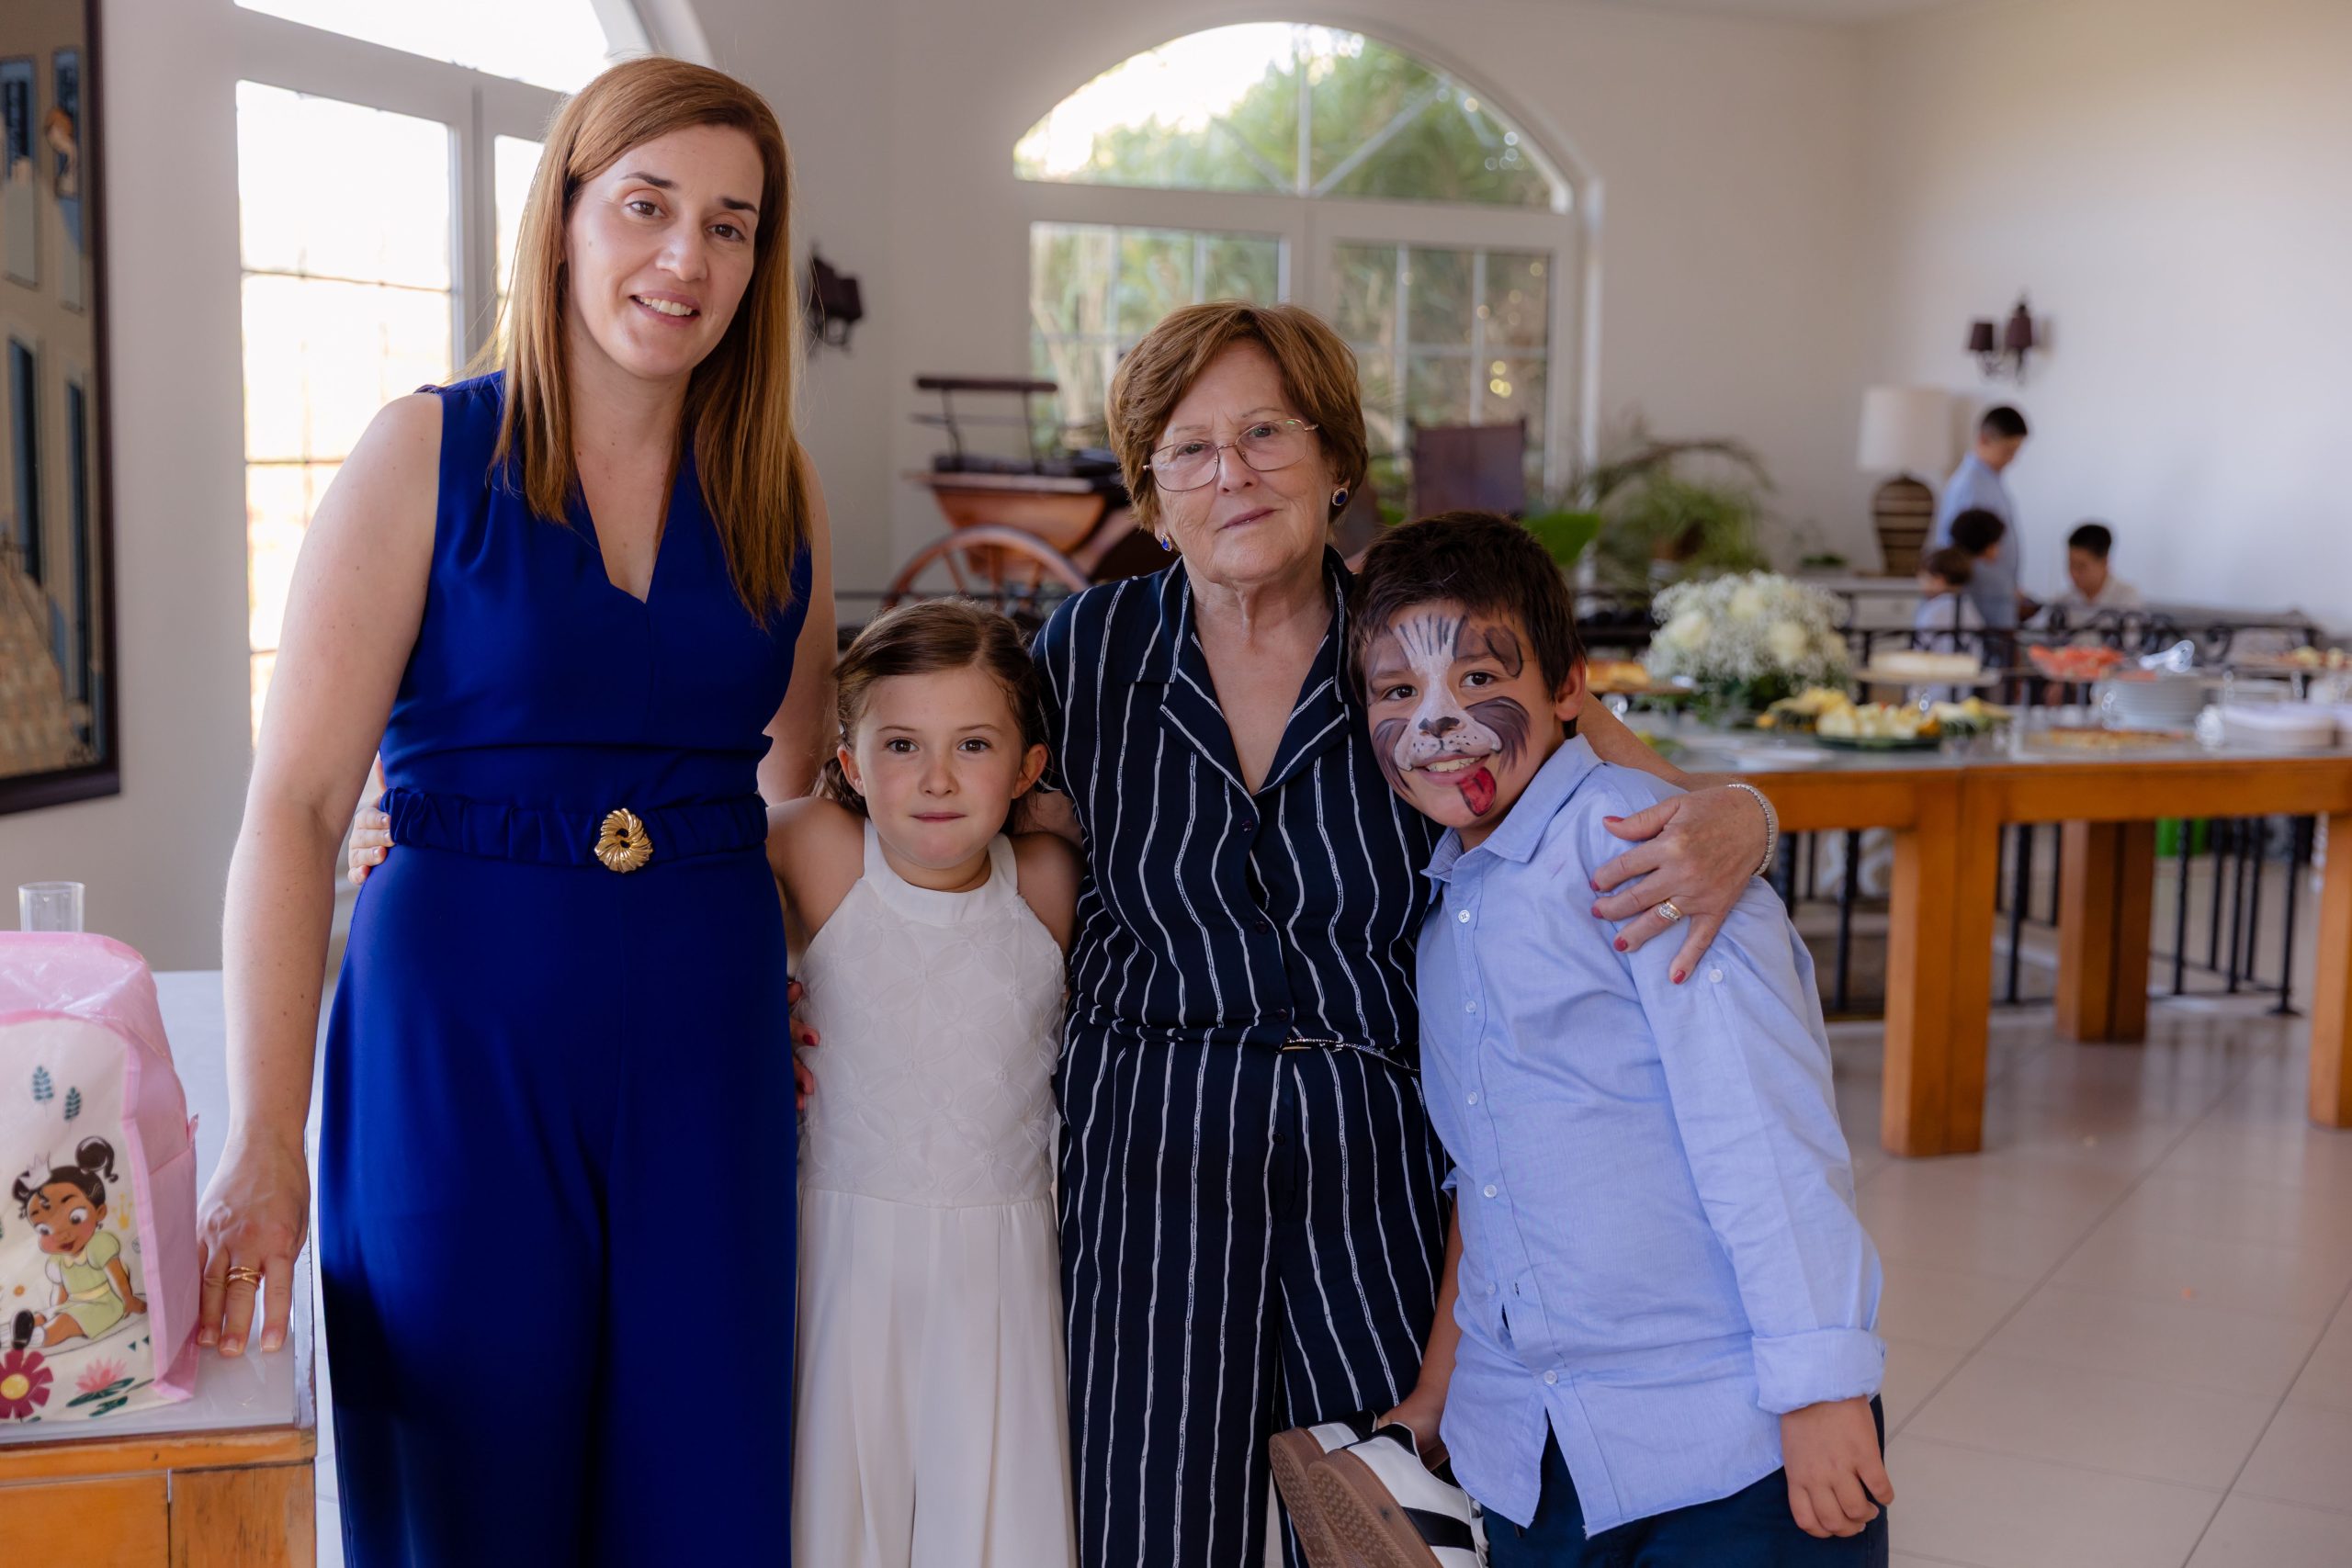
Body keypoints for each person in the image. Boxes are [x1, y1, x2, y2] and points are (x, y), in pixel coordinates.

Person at [1029, 300, 1783, 1568]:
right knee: (1153, 1518)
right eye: (1191, 447)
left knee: (1390, 1527)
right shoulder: (1089, 650)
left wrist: (1747, 817)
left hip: (1367, 1165)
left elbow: (1637, 798)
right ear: (1151, 493)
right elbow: (969, 824)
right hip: (1150, 1154)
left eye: (1268, 432)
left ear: (1336, 458)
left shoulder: (1413, 644)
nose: (1234, 472)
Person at [208, 58, 836, 1564]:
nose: (686, 259)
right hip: (455, 1050)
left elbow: (795, 795)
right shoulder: (425, 455)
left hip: (710, 1054)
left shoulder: (779, 490)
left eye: (731, 226)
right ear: (561, 218)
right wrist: (266, 1134)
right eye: (647, 206)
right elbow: (297, 804)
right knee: (468, 1499)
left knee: (706, 1492)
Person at [1316, 512, 1888, 1567]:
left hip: (1727, 1444)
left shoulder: (1649, 851)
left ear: (1569, 687)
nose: (1438, 722)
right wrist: (1443, 1397)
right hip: (1532, 1455)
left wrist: (1821, 1388)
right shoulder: (1446, 915)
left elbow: (1761, 1133)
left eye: (1478, 678)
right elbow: (1486, 1179)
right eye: (1397, 693)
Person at [780, 602, 1082, 1567]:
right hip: (846, 1261)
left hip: (1004, 1273)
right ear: (852, 760)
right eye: (902, 744)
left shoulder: (1049, 880)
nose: (937, 778)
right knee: (838, 1513)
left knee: (993, 1517)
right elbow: (678, 861)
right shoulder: (818, 852)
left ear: (1027, 768)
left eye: (974, 744)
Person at [12, 1138, 148, 1348]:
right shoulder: (58, 1261)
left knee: (66, 1323)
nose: (61, 1235)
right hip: (74, 1303)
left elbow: (117, 1275)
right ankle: (23, 1331)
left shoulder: (98, 1245)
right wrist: (54, 1310)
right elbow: (61, 1292)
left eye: (75, 1218)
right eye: (45, 1230)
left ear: (100, 1212)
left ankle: (36, 1337)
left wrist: (128, 1301)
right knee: (46, 1315)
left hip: (104, 1303)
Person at [1930, 405, 2030, 628]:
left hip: (1997, 598)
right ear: (1984, 440)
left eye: (2016, 452)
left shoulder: (1992, 481)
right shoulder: (1970, 485)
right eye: (2007, 451)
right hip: (1977, 602)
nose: (2012, 460)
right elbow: (1962, 547)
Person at [2050, 521, 2142, 618]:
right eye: (2071, 565)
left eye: (2081, 566)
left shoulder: (2126, 598)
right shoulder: (2062, 602)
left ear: (2104, 562)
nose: (2074, 573)